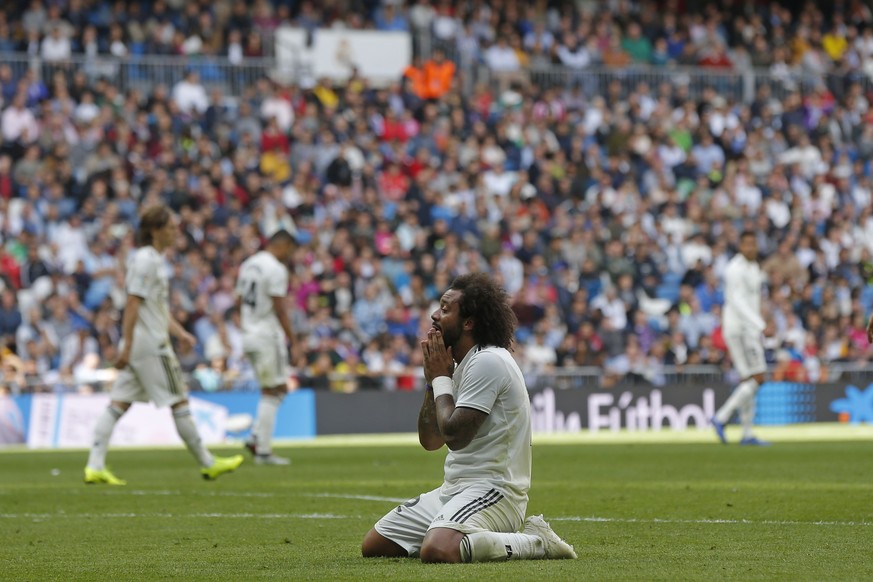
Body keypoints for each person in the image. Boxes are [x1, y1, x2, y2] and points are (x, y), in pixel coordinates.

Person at [361, 272, 576, 563]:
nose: (435, 315)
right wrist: (432, 381)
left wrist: (439, 379)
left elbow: (455, 437)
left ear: (469, 322)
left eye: (446, 309)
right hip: (454, 489)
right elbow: (431, 441)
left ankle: (536, 542)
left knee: (438, 550)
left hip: (496, 492)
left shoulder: (488, 360)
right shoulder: (459, 365)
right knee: (375, 544)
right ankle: (456, 530)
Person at [84, 205, 244, 485]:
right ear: (155, 231)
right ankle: (207, 462)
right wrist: (128, 344)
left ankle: (95, 465)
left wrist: (181, 333)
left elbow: (154, 308)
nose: (174, 232)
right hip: (151, 347)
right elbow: (133, 302)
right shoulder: (146, 260)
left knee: (117, 405)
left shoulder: (150, 259)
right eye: (170, 227)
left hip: (140, 346)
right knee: (179, 400)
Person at [236, 229, 296, 465]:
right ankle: (262, 451)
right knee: (274, 389)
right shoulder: (276, 268)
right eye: (290, 250)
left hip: (249, 334)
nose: (289, 256)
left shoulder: (249, 264)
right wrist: (294, 339)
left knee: (277, 388)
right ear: (282, 245)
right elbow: (280, 308)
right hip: (266, 335)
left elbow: (238, 301)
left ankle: (255, 437)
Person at [711, 231, 770, 446]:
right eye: (746, 244)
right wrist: (760, 325)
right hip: (740, 329)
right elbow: (737, 302)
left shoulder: (754, 267)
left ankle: (746, 433)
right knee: (759, 377)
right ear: (740, 246)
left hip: (747, 327)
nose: (750, 248)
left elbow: (753, 300)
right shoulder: (734, 269)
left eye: (753, 244)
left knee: (748, 380)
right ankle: (721, 417)